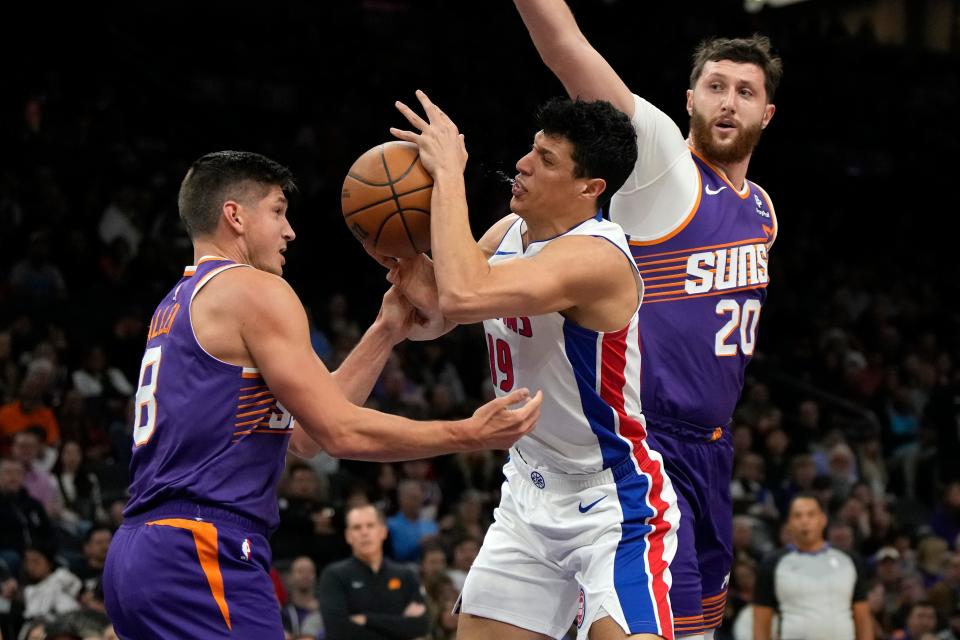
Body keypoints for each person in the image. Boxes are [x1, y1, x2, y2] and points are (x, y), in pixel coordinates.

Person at [101, 150, 542, 640]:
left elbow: (306, 435)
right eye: (277, 211)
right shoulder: (252, 290)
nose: (289, 231)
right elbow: (338, 432)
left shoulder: (177, 303)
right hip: (202, 550)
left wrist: (384, 332)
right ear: (235, 216)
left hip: (140, 552)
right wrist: (468, 433)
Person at [513, 3, 783, 637]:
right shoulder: (661, 165)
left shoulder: (762, 209)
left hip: (712, 451)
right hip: (642, 444)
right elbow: (564, 46)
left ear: (765, 114)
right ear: (690, 98)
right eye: (715, 86)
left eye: (745, 92)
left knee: (696, 628)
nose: (728, 102)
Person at [387, 91, 678, 639]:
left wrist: (448, 173)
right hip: (529, 486)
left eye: (546, 160)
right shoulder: (509, 234)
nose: (522, 164)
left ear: (590, 188)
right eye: (532, 149)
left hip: (612, 502)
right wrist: (402, 262)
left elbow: (466, 295)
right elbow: (443, 312)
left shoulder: (598, 258)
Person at [753, 495, 873, 640]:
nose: (805, 521)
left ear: (823, 519)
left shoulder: (849, 560)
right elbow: (761, 622)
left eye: (811, 514)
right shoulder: (772, 563)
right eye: (797, 516)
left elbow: (863, 619)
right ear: (789, 523)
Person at [319, 504, 429, 640]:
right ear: (348, 536)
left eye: (370, 526)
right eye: (357, 527)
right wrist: (400, 626)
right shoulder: (334, 575)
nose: (364, 533)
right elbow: (338, 631)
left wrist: (366, 620)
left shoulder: (406, 575)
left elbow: (421, 625)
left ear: (383, 531)